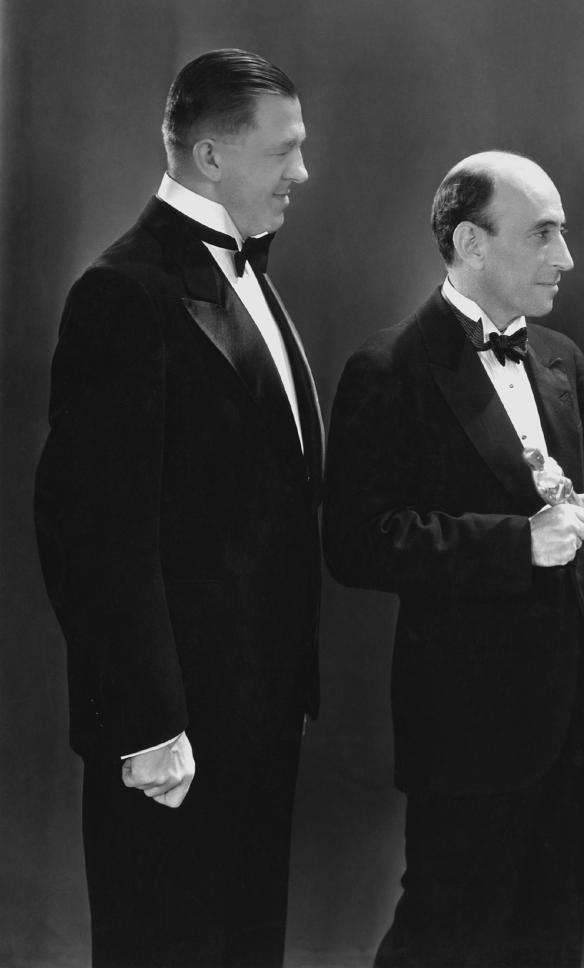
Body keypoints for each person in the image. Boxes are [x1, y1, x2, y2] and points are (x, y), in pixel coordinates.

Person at [323, 150, 584, 968]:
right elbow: (357, 542)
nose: (567, 258)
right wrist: (519, 543)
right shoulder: (386, 368)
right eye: (545, 234)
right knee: (446, 939)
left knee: (552, 942)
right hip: (468, 727)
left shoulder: (563, 359)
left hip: (575, 717)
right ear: (472, 243)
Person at [32, 49, 320, 968]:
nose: (302, 174)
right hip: (172, 736)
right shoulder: (123, 293)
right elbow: (92, 536)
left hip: (256, 717)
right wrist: (149, 725)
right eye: (285, 151)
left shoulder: (252, 278)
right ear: (208, 158)